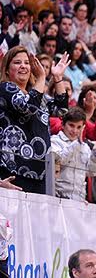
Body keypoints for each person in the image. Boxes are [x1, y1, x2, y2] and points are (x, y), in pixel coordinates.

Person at [0, 47, 69, 193]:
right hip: (13, 170)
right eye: (17, 62)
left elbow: (61, 110)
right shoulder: (5, 88)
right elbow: (27, 107)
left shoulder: (37, 95)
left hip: (40, 173)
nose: (23, 66)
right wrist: (42, 78)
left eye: (27, 63)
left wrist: (57, 78)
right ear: (6, 70)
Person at [50, 107, 96, 200]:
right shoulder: (54, 141)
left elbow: (92, 172)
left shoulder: (85, 146)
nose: (75, 131)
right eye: (71, 125)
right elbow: (59, 161)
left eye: (79, 127)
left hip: (79, 199)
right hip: (58, 197)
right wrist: (77, 143)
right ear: (63, 125)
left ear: (83, 128)